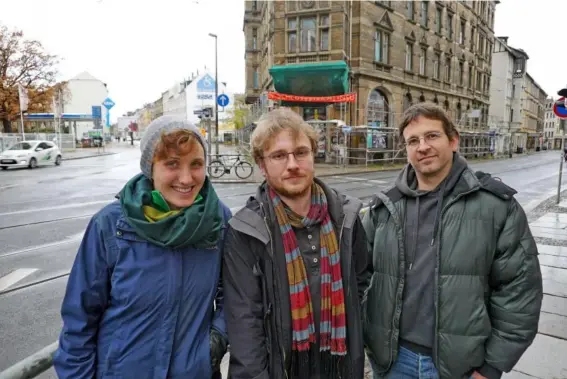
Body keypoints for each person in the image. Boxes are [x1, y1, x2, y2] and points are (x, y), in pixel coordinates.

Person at [362, 103, 543, 379]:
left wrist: (492, 366)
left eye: (432, 136)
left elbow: (519, 291)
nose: (422, 147)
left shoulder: (495, 206)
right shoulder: (385, 207)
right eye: (413, 140)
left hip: (460, 367)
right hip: (392, 362)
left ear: (453, 140)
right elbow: (358, 277)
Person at [53, 115, 231, 379]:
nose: (186, 178)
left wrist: (215, 342)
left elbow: (234, 294)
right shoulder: (111, 224)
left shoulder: (218, 220)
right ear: (150, 166)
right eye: (172, 164)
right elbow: (80, 319)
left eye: (196, 164)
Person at [223, 107, 369, 379]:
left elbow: (362, 285)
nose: (292, 164)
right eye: (279, 155)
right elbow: (245, 323)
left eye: (301, 152)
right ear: (262, 166)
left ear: (313, 155)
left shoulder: (346, 218)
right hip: (281, 370)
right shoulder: (246, 231)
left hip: (339, 366)